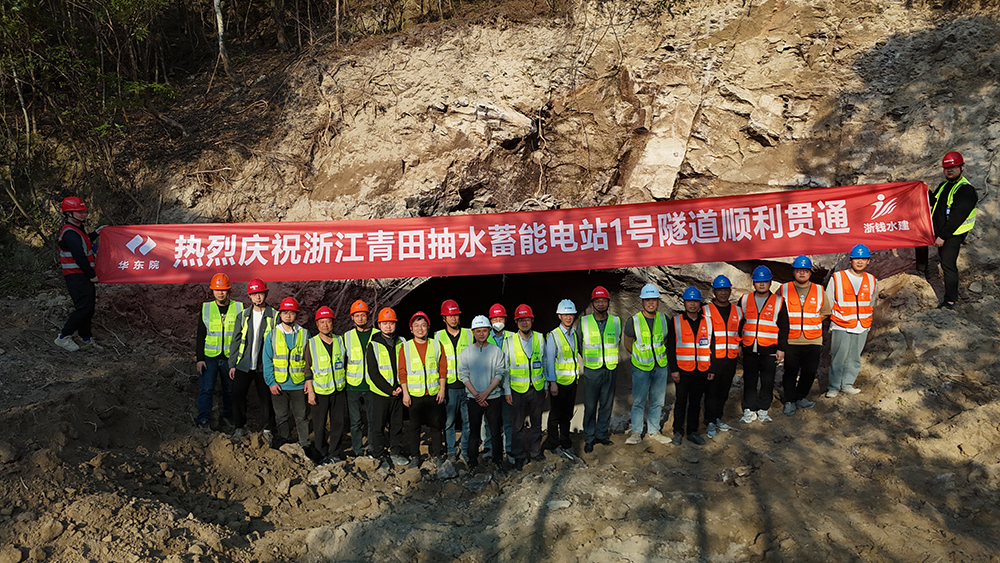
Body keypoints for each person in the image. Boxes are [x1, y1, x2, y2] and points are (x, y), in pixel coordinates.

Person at [915, 151, 978, 309]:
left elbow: (957, 217)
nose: (949, 170)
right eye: (946, 168)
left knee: (948, 264)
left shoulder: (965, 190)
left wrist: (942, 236)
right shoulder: (944, 185)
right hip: (938, 227)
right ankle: (921, 269)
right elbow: (934, 201)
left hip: (953, 234)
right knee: (919, 238)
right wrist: (923, 190)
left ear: (961, 168)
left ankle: (950, 301)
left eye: (953, 167)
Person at [777, 256, 831, 416]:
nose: (802, 273)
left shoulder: (819, 290)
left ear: (810, 273)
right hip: (791, 339)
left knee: (809, 371)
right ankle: (789, 400)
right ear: (793, 272)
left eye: (805, 271)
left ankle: (800, 396)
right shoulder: (783, 289)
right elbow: (775, 309)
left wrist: (812, 321)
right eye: (798, 270)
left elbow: (825, 312)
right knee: (790, 372)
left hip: (813, 339)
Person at [228, 278, 278, 439]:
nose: (258, 297)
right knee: (237, 395)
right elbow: (235, 341)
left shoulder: (274, 316)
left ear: (266, 294)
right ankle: (240, 426)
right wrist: (232, 364)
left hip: (265, 365)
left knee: (266, 399)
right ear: (249, 296)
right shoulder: (243, 316)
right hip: (243, 364)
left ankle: (268, 430)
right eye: (254, 294)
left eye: (261, 293)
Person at [622, 284, 672, 445]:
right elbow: (627, 344)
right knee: (638, 401)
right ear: (642, 302)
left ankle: (654, 430)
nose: (651, 303)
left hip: (660, 366)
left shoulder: (664, 319)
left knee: (658, 400)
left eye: (654, 300)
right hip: (641, 368)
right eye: (647, 300)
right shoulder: (633, 321)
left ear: (658, 301)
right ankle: (636, 432)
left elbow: (665, 340)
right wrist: (641, 357)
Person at [738, 266, 788, 424]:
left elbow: (784, 327)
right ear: (753, 283)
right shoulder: (744, 299)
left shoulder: (779, 301)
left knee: (767, 381)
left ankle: (763, 409)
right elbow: (739, 323)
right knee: (749, 380)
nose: (761, 284)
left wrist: (781, 348)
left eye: (765, 281)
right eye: (758, 281)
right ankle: (748, 408)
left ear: (770, 282)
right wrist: (739, 345)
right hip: (749, 348)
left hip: (769, 348)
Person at [54, 196, 104, 352]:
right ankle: (63, 337)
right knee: (84, 309)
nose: (83, 214)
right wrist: (91, 275)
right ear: (69, 214)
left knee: (88, 308)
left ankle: (85, 337)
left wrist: (96, 233)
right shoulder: (70, 233)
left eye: (84, 211)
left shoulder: (77, 229)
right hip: (76, 276)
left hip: (81, 275)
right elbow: (79, 256)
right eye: (79, 212)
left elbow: (85, 241)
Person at [827, 244, 878, 397]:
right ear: (851, 260)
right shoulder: (838, 277)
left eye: (863, 259)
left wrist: (867, 320)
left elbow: (871, 302)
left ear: (868, 261)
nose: (860, 262)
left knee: (854, 357)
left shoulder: (872, 280)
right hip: (841, 323)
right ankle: (833, 387)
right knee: (838, 357)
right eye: (857, 259)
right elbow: (828, 300)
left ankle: (847, 384)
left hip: (862, 324)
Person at [195, 273, 245, 429]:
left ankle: (229, 416)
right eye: (217, 290)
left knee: (230, 390)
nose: (220, 293)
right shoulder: (206, 308)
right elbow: (200, 335)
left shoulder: (239, 307)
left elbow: (243, 334)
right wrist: (199, 358)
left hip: (230, 358)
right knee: (206, 388)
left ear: (229, 290)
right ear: (212, 291)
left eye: (223, 289)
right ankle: (203, 419)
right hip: (209, 357)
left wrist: (239, 358)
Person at [459, 315, 508, 471]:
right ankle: (473, 461)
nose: (481, 334)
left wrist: (486, 393)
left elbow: (499, 373)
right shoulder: (466, 352)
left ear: (489, 331)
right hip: (474, 398)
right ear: (473, 332)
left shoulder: (496, 351)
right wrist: (476, 394)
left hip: (493, 398)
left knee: (495, 431)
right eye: (478, 331)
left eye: (484, 331)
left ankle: (497, 460)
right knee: (474, 432)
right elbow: (463, 375)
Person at [399, 311, 447, 467]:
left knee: (436, 426)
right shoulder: (406, 347)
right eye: (416, 326)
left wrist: (442, 389)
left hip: (433, 393)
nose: (420, 329)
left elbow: (442, 368)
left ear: (428, 328)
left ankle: (437, 454)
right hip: (414, 395)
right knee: (414, 427)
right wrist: (405, 393)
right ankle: (415, 456)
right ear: (411, 329)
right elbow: (402, 371)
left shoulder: (436, 345)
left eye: (423, 325)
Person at [263, 297, 311, 449]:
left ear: (296, 314)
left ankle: (305, 445)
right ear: (280, 315)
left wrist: (308, 381)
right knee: (281, 417)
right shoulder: (272, 335)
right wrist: (271, 382)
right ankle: (284, 442)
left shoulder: (304, 334)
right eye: (285, 313)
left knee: (301, 417)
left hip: (299, 384)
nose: (288, 316)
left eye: (291, 312)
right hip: (279, 385)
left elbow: (309, 360)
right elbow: (267, 360)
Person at [668, 287, 714, 446]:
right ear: (684, 303)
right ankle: (678, 431)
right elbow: (671, 347)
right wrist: (674, 369)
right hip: (682, 370)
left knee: (695, 402)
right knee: (681, 402)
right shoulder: (676, 321)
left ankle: (692, 431)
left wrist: (711, 368)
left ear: (700, 303)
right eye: (689, 301)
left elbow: (712, 346)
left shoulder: (708, 321)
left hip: (701, 370)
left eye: (695, 301)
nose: (692, 304)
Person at [504, 304, 547, 469]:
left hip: (536, 388)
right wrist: (507, 390)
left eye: (527, 319)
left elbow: (544, 362)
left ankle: (535, 453)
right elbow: (505, 369)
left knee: (536, 423)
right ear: (516, 322)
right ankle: (519, 455)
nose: (524, 322)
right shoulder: (509, 342)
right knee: (518, 426)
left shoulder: (540, 338)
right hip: (517, 390)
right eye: (521, 320)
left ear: (532, 320)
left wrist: (546, 385)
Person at [579, 286, 620, 454]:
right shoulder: (584, 322)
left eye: (604, 301)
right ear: (592, 304)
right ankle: (589, 438)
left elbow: (618, 340)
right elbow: (579, 344)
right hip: (592, 370)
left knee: (606, 404)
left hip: (610, 369)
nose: (601, 304)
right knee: (590, 406)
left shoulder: (616, 321)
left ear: (608, 303)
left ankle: (602, 434)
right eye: (597, 301)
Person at [366, 307, 408, 466]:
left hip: (398, 391)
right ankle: (379, 454)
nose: (388, 326)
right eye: (385, 323)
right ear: (379, 325)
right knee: (378, 426)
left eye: (391, 323)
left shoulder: (402, 342)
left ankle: (395, 452)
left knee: (397, 424)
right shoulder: (373, 344)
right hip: (381, 394)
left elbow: (407, 366)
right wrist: (390, 390)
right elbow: (373, 372)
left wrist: (400, 387)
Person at [307, 306, 348, 464]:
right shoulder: (312, 343)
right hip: (320, 391)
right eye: (322, 322)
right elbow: (307, 369)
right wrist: (310, 391)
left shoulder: (340, 341)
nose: (325, 325)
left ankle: (334, 453)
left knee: (338, 423)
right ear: (317, 324)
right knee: (319, 425)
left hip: (338, 390)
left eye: (328, 321)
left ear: (333, 323)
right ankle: (320, 454)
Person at [703, 276, 741, 439]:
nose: (723, 293)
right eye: (720, 290)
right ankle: (709, 421)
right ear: (714, 292)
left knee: (724, 390)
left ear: (730, 291)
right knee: (711, 392)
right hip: (713, 358)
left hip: (730, 358)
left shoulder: (737, 311)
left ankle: (718, 417)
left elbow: (740, 332)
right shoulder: (706, 311)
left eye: (726, 290)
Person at [435, 299, 473, 462]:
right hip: (449, 386)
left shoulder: (469, 334)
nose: (453, 318)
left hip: (467, 385)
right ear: (444, 318)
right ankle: (451, 450)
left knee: (467, 420)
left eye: (456, 315)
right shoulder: (438, 336)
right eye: (450, 316)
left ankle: (465, 449)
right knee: (449, 421)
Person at [544, 299, 582, 459]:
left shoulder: (573, 334)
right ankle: (553, 444)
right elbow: (549, 361)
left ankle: (566, 443)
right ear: (559, 316)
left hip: (572, 381)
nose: (568, 317)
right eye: (565, 315)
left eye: (571, 314)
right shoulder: (553, 335)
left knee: (567, 414)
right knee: (555, 415)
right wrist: (552, 383)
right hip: (558, 383)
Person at [344, 300, 374, 458]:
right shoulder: (347, 337)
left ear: (368, 316)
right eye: (357, 316)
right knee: (355, 421)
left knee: (372, 420)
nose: (360, 318)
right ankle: (358, 450)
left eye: (363, 315)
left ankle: (373, 448)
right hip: (353, 386)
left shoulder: (377, 335)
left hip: (372, 385)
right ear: (352, 318)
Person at [485, 302, 513, 463]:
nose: (498, 322)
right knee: (489, 421)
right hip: (490, 388)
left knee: (508, 420)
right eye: (495, 319)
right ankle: (488, 448)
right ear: (490, 321)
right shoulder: (484, 338)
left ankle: (508, 448)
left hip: (508, 387)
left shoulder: (513, 337)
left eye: (500, 318)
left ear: (506, 319)